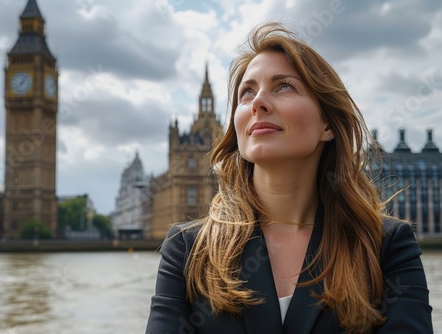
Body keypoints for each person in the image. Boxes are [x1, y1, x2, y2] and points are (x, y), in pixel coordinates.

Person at [145, 22, 433, 334]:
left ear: (328, 125)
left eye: (283, 86)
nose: (258, 102)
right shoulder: (187, 249)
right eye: (247, 92)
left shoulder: (386, 246)